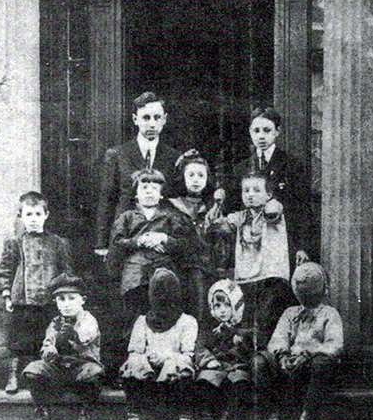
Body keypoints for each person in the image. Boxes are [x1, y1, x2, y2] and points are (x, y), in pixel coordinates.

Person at [254, 262, 343, 420]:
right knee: (260, 361)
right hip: (290, 363)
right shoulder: (290, 313)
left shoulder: (329, 314)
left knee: (322, 363)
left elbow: (334, 345)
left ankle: (307, 418)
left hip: (313, 364)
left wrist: (308, 353)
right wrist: (283, 356)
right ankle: (273, 416)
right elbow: (278, 338)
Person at [206, 171, 292, 351]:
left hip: (271, 276)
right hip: (247, 278)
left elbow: (273, 211)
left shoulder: (274, 209)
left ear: (269, 194)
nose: (250, 195)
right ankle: (246, 361)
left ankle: (264, 358)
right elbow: (214, 226)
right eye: (246, 191)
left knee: (265, 319)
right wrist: (218, 205)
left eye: (256, 190)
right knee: (245, 321)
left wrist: (271, 203)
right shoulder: (241, 216)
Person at [0, 191, 73, 394]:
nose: (33, 220)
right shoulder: (15, 242)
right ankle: (13, 376)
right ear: (20, 216)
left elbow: (66, 271)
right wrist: (6, 294)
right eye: (28, 215)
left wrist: (62, 295)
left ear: (46, 215)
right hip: (22, 300)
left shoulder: (57, 242)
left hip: (49, 301)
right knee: (19, 340)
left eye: (38, 214)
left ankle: (45, 377)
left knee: (47, 337)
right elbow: (6, 269)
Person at [107, 168, 190, 343]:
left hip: (162, 272)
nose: (149, 192)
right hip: (135, 275)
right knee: (134, 316)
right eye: (144, 188)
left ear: (161, 195)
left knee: (163, 312)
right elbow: (117, 243)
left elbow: (183, 244)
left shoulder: (170, 217)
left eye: (154, 188)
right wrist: (139, 241)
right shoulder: (127, 217)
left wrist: (164, 238)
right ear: (136, 194)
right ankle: (133, 357)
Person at [230, 107, 316, 272]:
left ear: (277, 131)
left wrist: (303, 247)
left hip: (283, 244)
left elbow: (303, 210)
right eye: (256, 131)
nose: (261, 136)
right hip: (250, 247)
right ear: (250, 132)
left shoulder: (292, 165)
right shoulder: (241, 169)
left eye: (267, 130)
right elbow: (235, 208)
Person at [95, 91, 180, 257]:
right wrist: (102, 243)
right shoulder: (117, 154)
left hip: (159, 238)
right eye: (146, 118)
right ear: (135, 119)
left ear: (164, 119)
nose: (152, 124)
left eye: (157, 117)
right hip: (127, 235)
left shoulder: (173, 156)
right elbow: (107, 199)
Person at [23, 273, 104, 420]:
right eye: (61, 299)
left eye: (71, 298)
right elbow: (47, 346)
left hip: (81, 368)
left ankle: (85, 416)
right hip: (59, 370)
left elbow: (86, 337)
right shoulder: (55, 323)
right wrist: (51, 350)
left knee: (94, 372)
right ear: (56, 303)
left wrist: (73, 335)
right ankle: (44, 418)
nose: (66, 304)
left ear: (83, 300)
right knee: (33, 370)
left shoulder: (88, 319)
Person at [120, 267, 198, 420]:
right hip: (148, 379)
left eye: (167, 293)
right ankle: (133, 417)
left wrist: (166, 356)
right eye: (157, 293)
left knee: (181, 363)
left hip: (172, 380)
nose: (162, 298)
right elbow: (135, 350)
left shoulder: (187, 322)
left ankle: (185, 419)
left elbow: (188, 353)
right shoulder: (142, 321)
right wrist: (147, 358)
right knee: (134, 362)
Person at [194, 279, 252, 420]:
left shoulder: (241, 329)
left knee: (238, 382)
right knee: (206, 380)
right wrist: (209, 360)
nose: (222, 310)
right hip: (216, 365)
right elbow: (199, 347)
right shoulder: (208, 328)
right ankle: (207, 419)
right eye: (217, 306)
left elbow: (248, 351)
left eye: (227, 305)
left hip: (235, 366)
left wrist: (237, 340)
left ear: (236, 306)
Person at [168, 149, 217, 320]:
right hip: (180, 259)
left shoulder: (211, 207)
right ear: (182, 177)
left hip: (206, 261)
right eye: (191, 175)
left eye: (201, 176)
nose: (196, 180)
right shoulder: (173, 206)